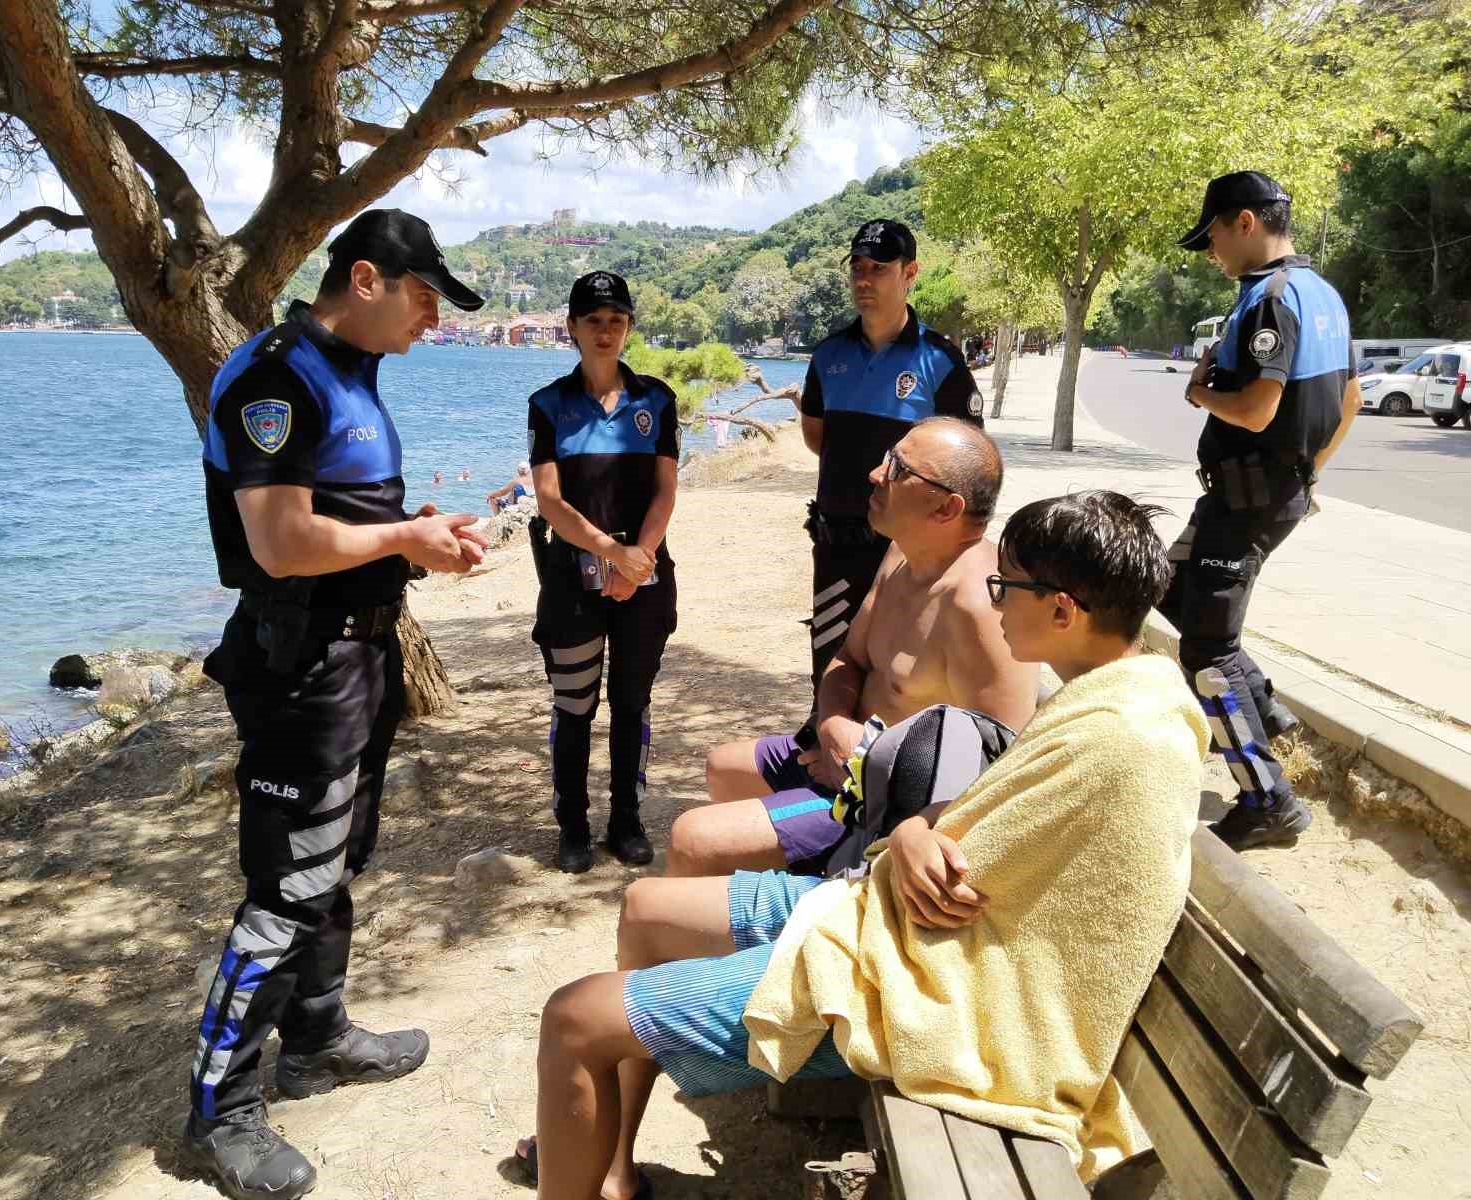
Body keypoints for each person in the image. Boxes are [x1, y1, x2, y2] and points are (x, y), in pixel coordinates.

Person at [514, 491, 1207, 1199]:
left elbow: (969, 886)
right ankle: (610, 1164)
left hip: (927, 990)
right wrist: (907, 829)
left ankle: (597, 1121)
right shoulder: (1109, 700)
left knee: (574, 1019)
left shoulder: (1122, 738)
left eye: (1008, 587)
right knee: (646, 908)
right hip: (892, 923)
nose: (997, 603)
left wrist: (912, 844)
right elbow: (978, 830)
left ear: (1063, 610)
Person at [187, 208, 489, 1200]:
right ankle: (222, 1109)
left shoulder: (354, 374)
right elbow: (280, 544)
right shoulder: (275, 375)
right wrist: (407, 542)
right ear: (365, 279)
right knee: (283, 891)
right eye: (421, 296)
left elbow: (352, 517)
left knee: (333, 865)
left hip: (360, 663)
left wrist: (419, 532)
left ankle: (315, 1038)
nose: (432, 319)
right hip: (298, 668)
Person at [671, 418, 1038, 878]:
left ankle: (766, 908)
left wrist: (863, 767)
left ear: (946, 508)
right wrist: (835, 729)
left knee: (692, 839)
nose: (875, 474)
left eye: (899, 469)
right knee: (722, 768)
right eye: (889, 457)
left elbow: (997, 775)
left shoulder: (979, 609)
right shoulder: (903, 551)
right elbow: (849, 659)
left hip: (877, 807)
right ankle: (770, 886)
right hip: (839, 753)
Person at [1168, 170, 1362, 850]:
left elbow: (1255, 410)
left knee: (1206, 654)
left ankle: (1267, 799)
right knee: (1167, 590)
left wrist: (1200, 394)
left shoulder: (1271, 298)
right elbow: (1352, 400)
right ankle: (1269, 714)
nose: (1212, 252)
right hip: (1252, 496)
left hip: (1247, 503)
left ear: (1244, 222)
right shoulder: (1323, 294)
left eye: (1214, 235)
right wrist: (1309, 475)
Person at [528, 271, 680, 873]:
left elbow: (665, 491)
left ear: (628, 328)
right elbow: (550, 500)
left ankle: (626, 821)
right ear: (572, 328)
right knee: (574, 705)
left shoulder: (658, 400)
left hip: (644, 576)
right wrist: (609, 553)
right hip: (572, 581)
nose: (605, 331)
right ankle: (572, 827)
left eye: (616, 320)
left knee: (632, 703)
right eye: (593, 320)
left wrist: (637, 558)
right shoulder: (548, 405)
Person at [800, 218, 985, 697]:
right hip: (837, 548)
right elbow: (820, 440)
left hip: (909, 555)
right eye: (857, 268)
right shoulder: (827, 356)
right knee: (831, 674)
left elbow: (968, 464)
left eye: (879, 268)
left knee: (902, 682)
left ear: (910, 273)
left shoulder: (940, 360)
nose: (863, 280)